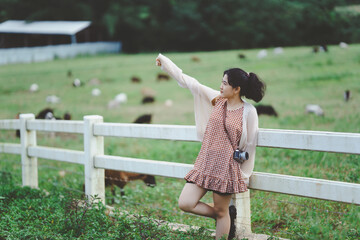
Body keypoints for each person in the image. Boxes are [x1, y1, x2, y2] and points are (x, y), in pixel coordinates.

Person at [155, 54, 265, 239]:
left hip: (226, 168)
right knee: (186, 203)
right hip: (205, 162)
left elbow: (250, 145)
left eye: (224, 83)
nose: (221, 86)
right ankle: (222, 215)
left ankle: (222, 218)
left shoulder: (249, 112)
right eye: (221, 82)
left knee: (221, 212)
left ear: (236, 89)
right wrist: (165, 63)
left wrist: (244, 175)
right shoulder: (217, 100)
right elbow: (191, 83)